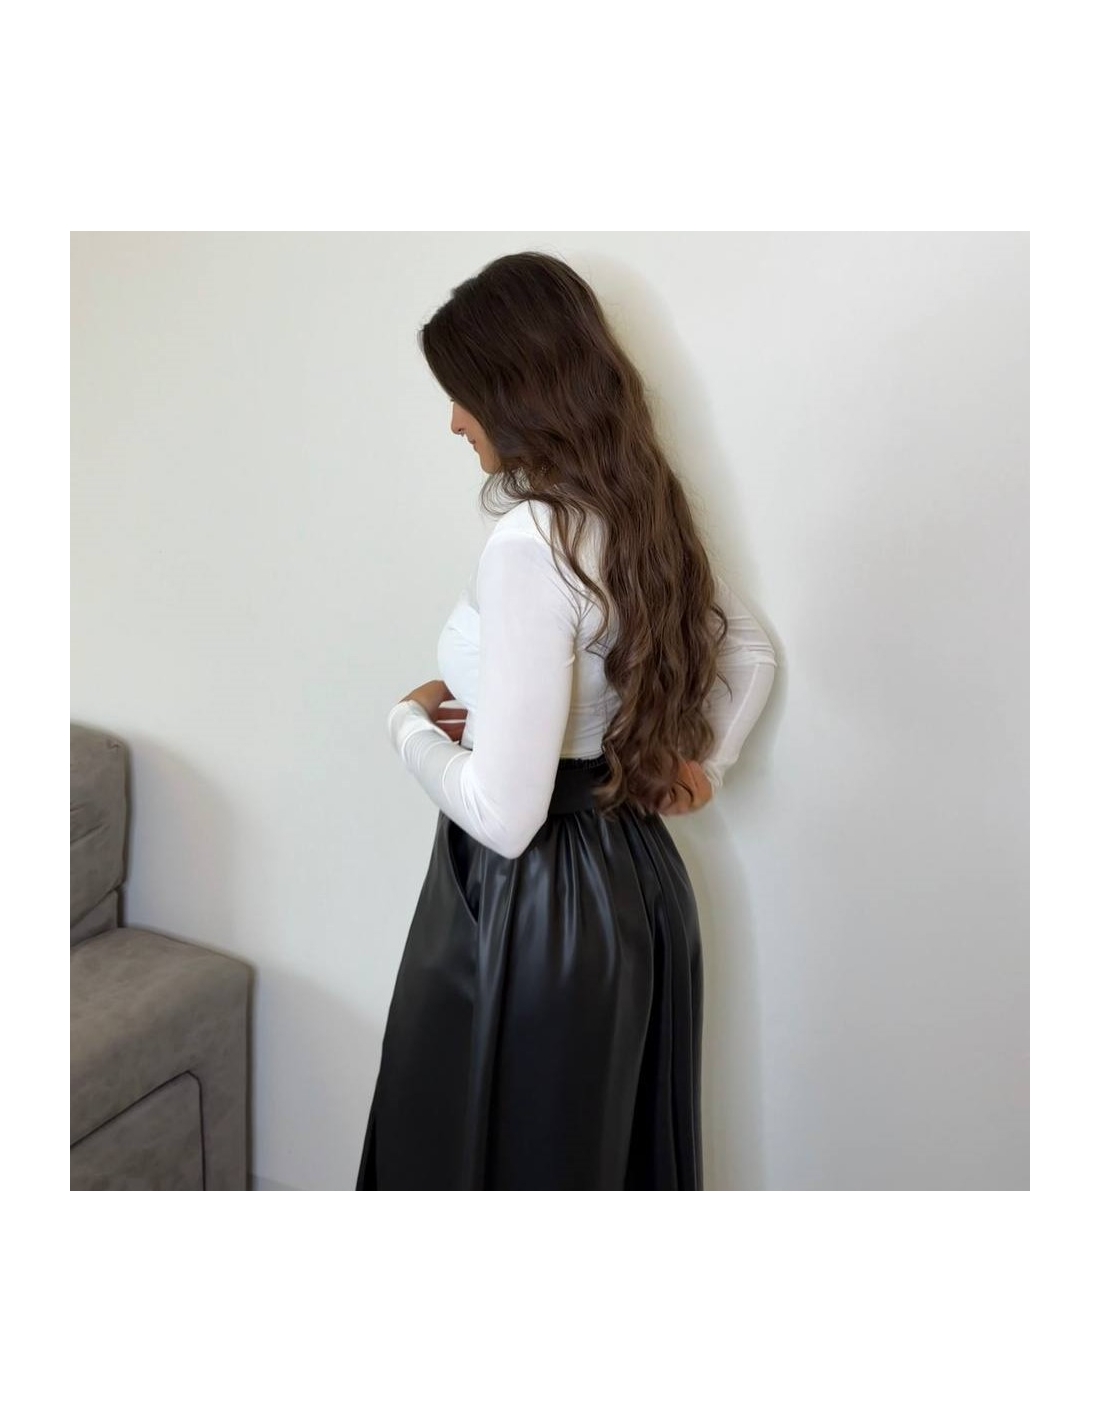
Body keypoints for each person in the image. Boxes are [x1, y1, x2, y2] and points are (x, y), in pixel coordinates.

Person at [356, 251, 777, 1190]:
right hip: (634, 880)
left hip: (530, 904)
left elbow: (505, 816)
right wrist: (705, 766)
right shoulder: (633, 511)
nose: (454, 420)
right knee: (601, 1158)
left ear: (514, 392)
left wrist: (405, 724)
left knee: (491, 1158)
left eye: (462, 393)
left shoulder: (529, 545)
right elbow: (750, 654)